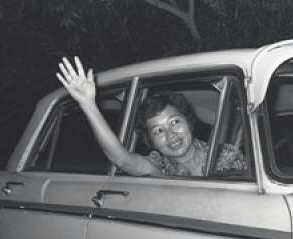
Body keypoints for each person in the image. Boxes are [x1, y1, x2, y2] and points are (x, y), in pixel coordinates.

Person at [56, 56, 246, 177]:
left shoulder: (227, 155)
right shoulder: (159, 165)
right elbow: (123, 160)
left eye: (175, 122)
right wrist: (88, 105)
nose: (171, 135)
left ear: (188, 122)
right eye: (158, 131)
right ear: (152, 142)